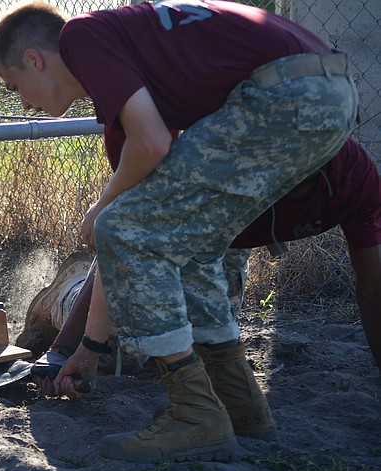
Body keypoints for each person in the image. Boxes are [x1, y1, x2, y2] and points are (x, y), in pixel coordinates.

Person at [0, 1, 358, 462]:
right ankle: (241, 404)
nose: (23, 103)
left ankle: (195, 413)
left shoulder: (80, 37)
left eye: (14, 85)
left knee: (122, 226)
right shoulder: (126, 89)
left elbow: (149, 155)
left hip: (286, 94)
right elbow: (130, 235)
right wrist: (89, 348)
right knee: (196, 245)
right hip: (327, 91)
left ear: (33, 59)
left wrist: (99, 208)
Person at [26, 136, 381, 390]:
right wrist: (69, 346)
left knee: (202, 356)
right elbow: (122, 236)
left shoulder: (356, 180)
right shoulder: (219, 167)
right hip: (166, 239)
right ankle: (64, 290)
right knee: (121, 357)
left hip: (225, 245)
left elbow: (373, 290)